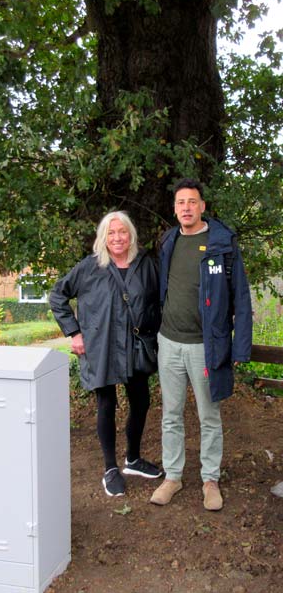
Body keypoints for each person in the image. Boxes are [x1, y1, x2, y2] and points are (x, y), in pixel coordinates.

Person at [150, 178, 252, 511]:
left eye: (192, 202)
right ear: (175, 208)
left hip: (205, 347)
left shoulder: (222, 244)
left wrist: (239, 349)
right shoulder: (168, 242)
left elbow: (241, 297)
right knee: (171, 415)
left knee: (209, 416)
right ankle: (173, 477)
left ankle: (210, 481)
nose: (186, 208)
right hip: (169, 343)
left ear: (202, 206)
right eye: (181, 203)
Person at [50, 211, 162, 497]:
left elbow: (160, 301)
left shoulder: (146, 265)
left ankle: (133, 459)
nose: (117, 238)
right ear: (103, 237)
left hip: (136, 347)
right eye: (111, 233)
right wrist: (74, 332)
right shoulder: (89, 267)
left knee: (141, 402)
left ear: (131, 235)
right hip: (102, 347)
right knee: (106, 405)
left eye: (122, 232)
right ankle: (110, 468)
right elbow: (58, 295)